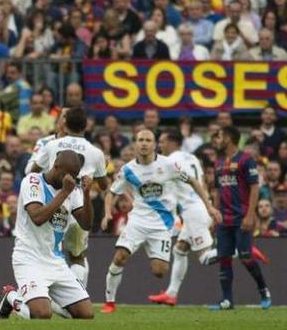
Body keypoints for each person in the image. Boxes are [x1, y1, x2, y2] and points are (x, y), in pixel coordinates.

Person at [100, 129, 221, 314]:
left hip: (162, 226)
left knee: (159, 272)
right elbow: (111, 192)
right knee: (120, 257)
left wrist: (210, 207)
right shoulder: (128, 169)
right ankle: (109, 302)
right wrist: (107, 213)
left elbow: (194, 182)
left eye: (148, 140)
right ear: (135, 144)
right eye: (140, 140)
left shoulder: (169, 165)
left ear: (155, 144)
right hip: (137, 222)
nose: (144, 143)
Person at [0, 150, 94, 320]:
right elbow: (38, 217)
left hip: (56, 260)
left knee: (86, 315)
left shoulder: (74, 190)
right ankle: (11, 296)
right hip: (29, 258)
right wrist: (64, 193)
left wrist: (86, 194)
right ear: (56, 167)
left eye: (75, 176)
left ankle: (33, 298)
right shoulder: (32, 182)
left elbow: (86, 223)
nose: (70, 179)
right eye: (67, 174)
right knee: (42, 314)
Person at [25, 107, 106, 288]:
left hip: (58, 202)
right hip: (74, 201)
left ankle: (67, 295)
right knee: (73, 254)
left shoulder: (50, 145)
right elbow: (104, 185)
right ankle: (73, 294)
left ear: (65, 123)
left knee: (61, 251)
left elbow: (32, 172)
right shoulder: (94, 151)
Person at [148, 130, 219, 306]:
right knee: (180, 249)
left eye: (162, 141)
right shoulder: (192, 158)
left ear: (173, 142)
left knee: (204, 257)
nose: (160, 145)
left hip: (193, 211)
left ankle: (240, 250)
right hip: (198, 206)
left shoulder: (171, 161)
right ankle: (171, 294)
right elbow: (201, 183)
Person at [208, 125, 272, 310]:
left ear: (229, 138)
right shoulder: (219, 162)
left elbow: (254, 187)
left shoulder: (246, 160)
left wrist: (250, 215)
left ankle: (263, 289)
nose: (217, 140)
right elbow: (219, 190)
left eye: (219, 136)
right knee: (224, 258)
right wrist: (215, 214)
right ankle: (227, 300)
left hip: (241, 217)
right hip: (224, 218)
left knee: (245, 256)